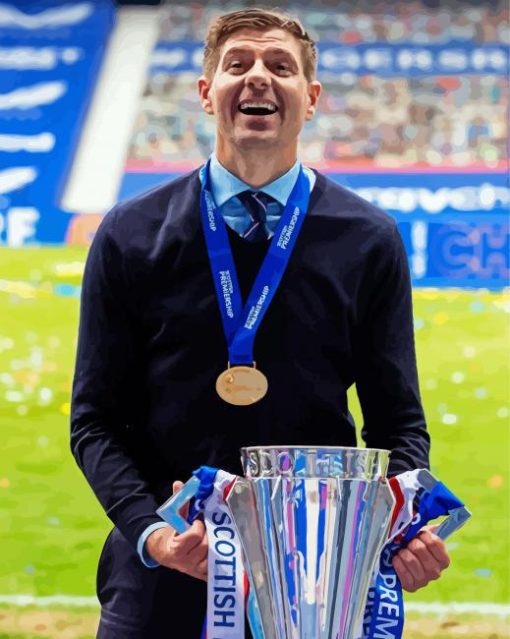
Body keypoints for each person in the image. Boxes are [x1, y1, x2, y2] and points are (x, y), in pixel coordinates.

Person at [71, 8, 450, 639]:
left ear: (311, 99)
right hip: (162, 578)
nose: (258, 79)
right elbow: (95, 420)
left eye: (281, 66)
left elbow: (397, 422)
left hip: (318, 581)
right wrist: (154, 533)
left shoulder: (368, 239)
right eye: (236, 64)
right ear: (204, 92)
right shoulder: (129, 234)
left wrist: (403, 525)